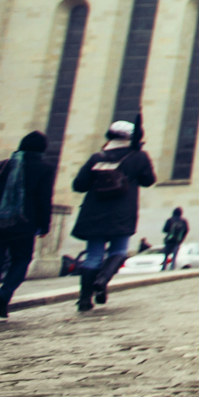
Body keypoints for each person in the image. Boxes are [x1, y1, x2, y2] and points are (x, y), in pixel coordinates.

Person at [0, 131, 58, 323]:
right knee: (22, 260)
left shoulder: (5, 164)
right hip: (22, 225)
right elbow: (44, 199)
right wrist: (44, 226)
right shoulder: (45, 167)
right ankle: (3, 294)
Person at [70, 120, 157, 311]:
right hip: (122, 212)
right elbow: (149, 180)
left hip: (94, 213)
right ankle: (102, 280)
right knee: (118, 251)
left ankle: (84, 299)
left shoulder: (97, 156)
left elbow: (79, 185)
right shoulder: (138, 156)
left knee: (93, 256)